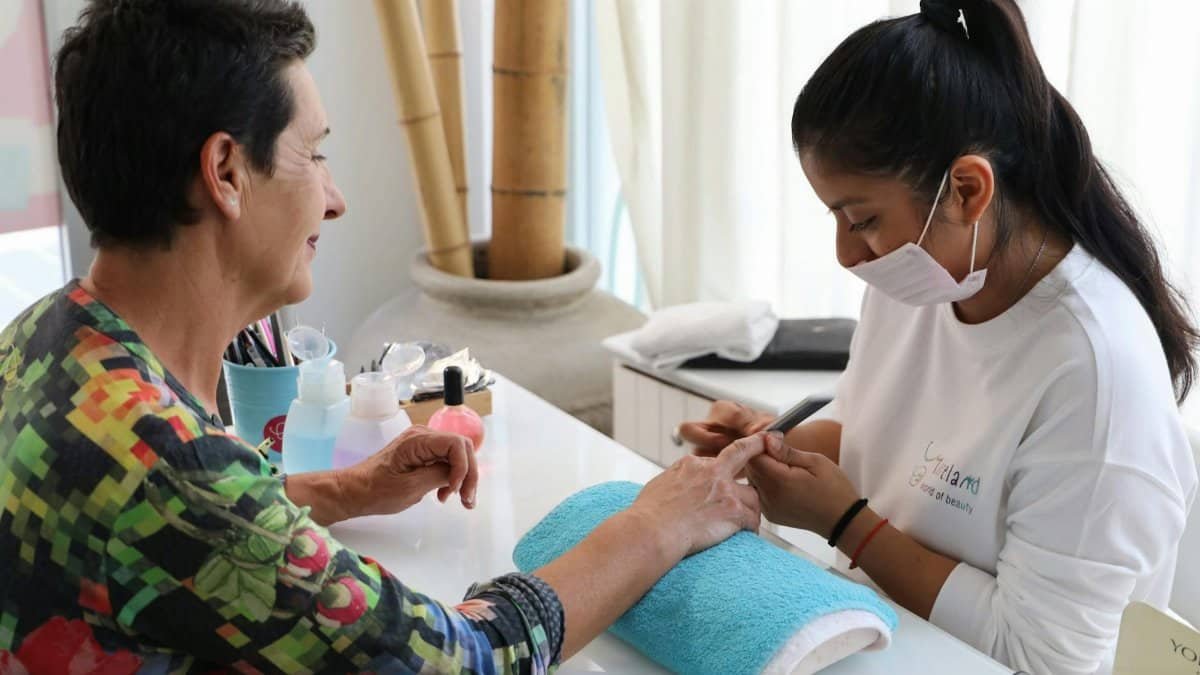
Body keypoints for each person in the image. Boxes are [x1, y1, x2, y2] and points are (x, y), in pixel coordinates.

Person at [0, 1, 766, 672]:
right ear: (227, 172)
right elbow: (462, 658)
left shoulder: (45, 335)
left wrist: (348, 487)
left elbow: (165, 530)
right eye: (315, 152)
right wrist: (657, 521)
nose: (333, 200)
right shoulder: (173, 464)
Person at [681, 1, 1198, 674]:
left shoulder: (1097, 375)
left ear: (967, 189)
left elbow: (1039, 655)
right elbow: (903, 445)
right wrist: (776, 445)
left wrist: (847, 524)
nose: (845, 252)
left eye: (860, 218)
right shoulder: (921, 276)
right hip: (875, 640)